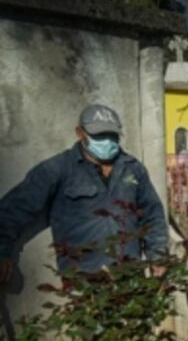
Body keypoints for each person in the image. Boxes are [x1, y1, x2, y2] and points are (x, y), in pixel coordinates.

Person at [0, 104, 168, 285]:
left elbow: (152, 214)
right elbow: (14, 209)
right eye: (99, 135)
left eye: (112, 135)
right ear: (80, 133)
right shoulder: (58, 169)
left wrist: (157, 254)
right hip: (83, 279)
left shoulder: (133, 168)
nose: (107, 141)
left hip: (128, 275)